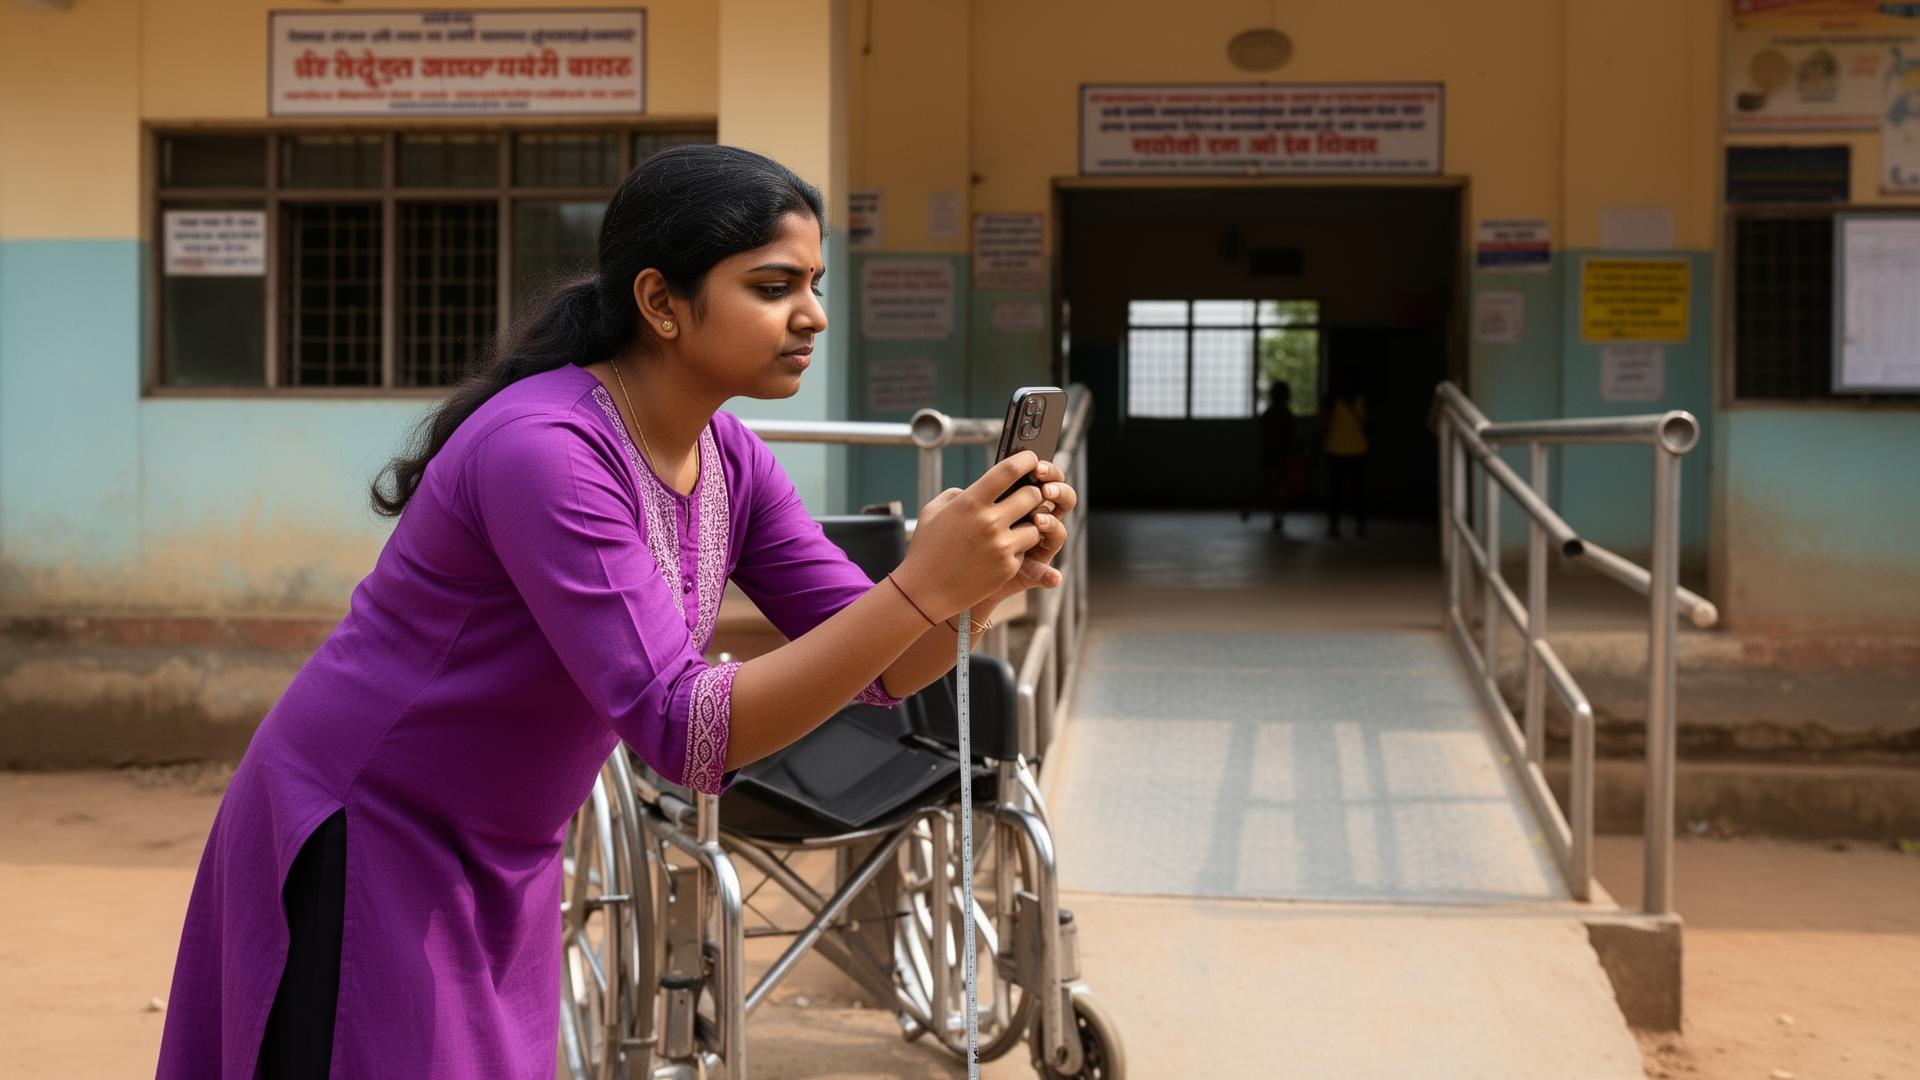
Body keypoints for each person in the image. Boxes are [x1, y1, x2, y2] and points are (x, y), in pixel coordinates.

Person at [155, 145, 1075, 1079]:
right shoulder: (546, 448)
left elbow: (887, 668)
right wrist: (921, 587)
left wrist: (979, 586)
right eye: (773, 287)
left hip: (505, 847)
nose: (813, 315)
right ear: (661, 302)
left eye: (815, 284)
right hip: (372, 828)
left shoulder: (728, 455)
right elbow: (686, 731)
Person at [1318, 374, 1370, 538]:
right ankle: (1357, 524)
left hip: (1339, 450)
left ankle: (1336, 525)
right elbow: (1364, 421)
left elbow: (1323, 424)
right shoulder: (1355, 400)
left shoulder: (1333, 401)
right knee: (1356, 491)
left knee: (1337, 491)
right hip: (1354, 449)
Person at [1243, 381, 1297, 532]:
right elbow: (1290, 436)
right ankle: (1277, 515)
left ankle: (1252, 509)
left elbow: (1262, 429)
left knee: (1266, 484)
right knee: (1281, 487)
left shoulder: (1268, 413)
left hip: (1268, 453)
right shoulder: (1287, 414)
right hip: (1282, 455)